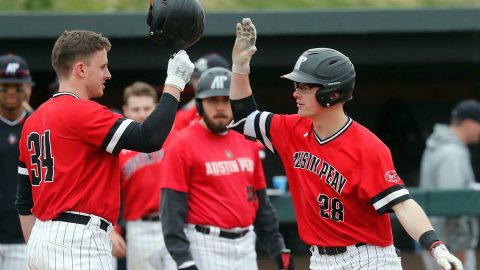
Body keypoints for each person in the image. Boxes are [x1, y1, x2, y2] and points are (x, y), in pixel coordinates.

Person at [227, 18, 463, 270]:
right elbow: (244, 118)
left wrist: (435, 245)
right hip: (319, 258)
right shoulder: (291, 129)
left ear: (333, 93)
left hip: (368, 257)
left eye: (305, 87)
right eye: (297, 85)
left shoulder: (367, 147)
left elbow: (403, 204)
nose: (295, 93)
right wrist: (240, 66)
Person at [15, 29, 194, 270]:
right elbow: (149, 138)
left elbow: (24, 201)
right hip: (78, 243)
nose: (108, 74)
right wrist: (174, 83)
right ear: (80, 69)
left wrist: (41, 246)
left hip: (40, 239)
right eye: (102, 66)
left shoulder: (32, 121)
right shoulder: (83, 111)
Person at [159, 67, 294, 270]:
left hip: (246, 245)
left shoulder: (247, 138)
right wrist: (184, 259)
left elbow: (261, 203)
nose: (220, 107)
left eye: (225, 100)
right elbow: (171, 210)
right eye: (213, 101)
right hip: (205, 245)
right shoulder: (181, 144)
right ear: (200, 104)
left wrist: (277, 247)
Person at [118, 81, 176, 270]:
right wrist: (114, 231)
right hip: (139, 228)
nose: (142, 114)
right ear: (125, 110)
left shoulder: (172, 136)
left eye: (147, 108)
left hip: (174, 223)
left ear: (157, 109)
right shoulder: (117, 148)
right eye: (135, 109)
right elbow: (110, 195)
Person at [419, 99, 480, 270]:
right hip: (447, 244)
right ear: (468, 123)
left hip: (436, 240)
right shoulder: (451, 153)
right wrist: (458, 246)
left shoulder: (440, 145)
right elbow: (453, 203)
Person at [0, 53, 33, 270]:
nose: (12, 91)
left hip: (24, 235)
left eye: (17, 85)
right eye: (5, 85)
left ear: (28, 87)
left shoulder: (39, 125)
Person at [173, 53, 230, 132]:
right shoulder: (185, 115)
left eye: (204, 78)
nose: (197, 83)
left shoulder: (239, 109)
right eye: (195, 78)